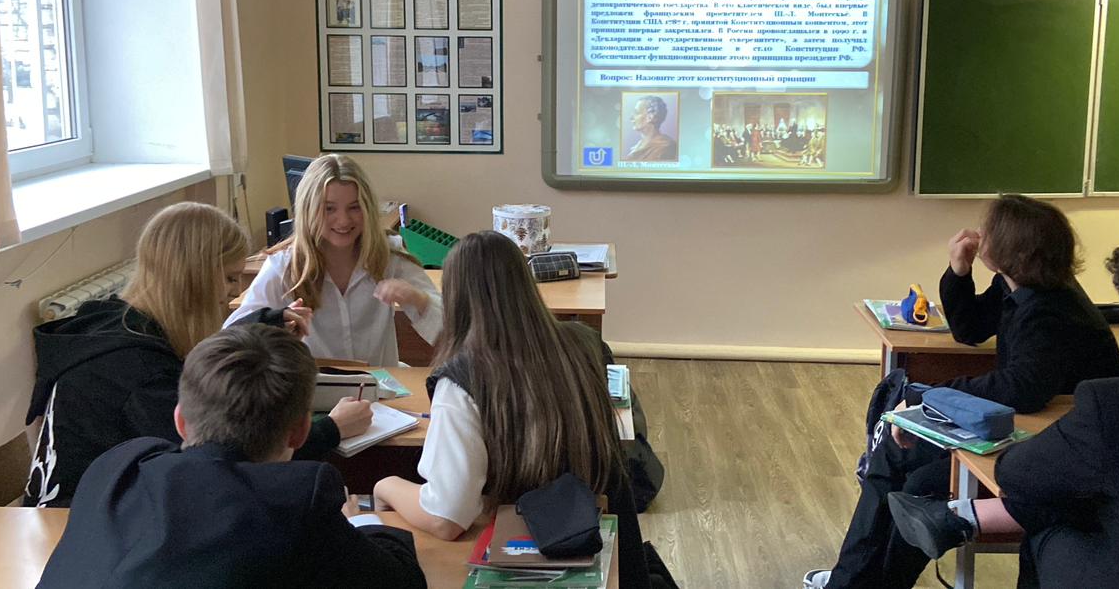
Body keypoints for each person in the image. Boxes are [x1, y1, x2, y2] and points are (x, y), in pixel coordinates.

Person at [805, 194, 1119, 589]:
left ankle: (858, 582)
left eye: (987, 231)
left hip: (1050, 447)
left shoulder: (1049, 312)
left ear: (1010, 252)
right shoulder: (1020, 285)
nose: (978, 235)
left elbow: (1021, 389)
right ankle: (853, 580)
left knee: (917, 482)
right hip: (1022, 429)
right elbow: (970, 330)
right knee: (895, 454)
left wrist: (928, 396)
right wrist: (959, 271)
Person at [887, 226, 1119, 588]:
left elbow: (1015, 474)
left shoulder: (1114, 404)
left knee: (1053, 516)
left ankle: (964, 517)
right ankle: (963, 517)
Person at [23, 202, 371, 508]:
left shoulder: (117, 323)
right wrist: (331, 429)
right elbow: (224, 459)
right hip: (80, 524)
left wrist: (262, 324)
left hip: (90, 506)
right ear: (195, 277)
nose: (233, 292)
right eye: (230, 278)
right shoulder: (139, 372)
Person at [37, 324, 427, 589]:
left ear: (180, 421)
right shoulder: (296, 499)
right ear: (300, 430)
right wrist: (359, 521)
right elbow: (402, 582)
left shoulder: (117, 466)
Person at [371, 231, 657, 589]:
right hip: (603, 536)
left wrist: (385, 486)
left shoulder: (461, 382)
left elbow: (446, 517)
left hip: (529, 552)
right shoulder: (585, 344)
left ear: (456, 300)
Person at [227, 154, 442, 365]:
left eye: (354, 207)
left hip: (378, 384)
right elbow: (230, 339)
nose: (343, 220)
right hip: (313, 384)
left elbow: (450, 330)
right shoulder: (284, 265)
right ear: (309, 210)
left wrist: (418, 299)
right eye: (329, 209)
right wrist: (275, 324)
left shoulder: (388, 254)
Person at [623, 96, 678, 162]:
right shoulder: (637, 146)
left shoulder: (666, 147)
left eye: (637, 113)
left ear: (650, 117)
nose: (631, 118)